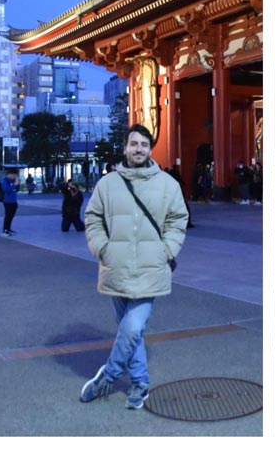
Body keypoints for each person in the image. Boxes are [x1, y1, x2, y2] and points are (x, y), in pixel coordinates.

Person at [80, 124, 188, 410]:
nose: (139, 149)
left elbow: (178, 220)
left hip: (151, 267)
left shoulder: (167, 184)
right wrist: (102, 248)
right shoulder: (107, 184)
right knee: (131, 332)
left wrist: (167, 250)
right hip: (115, 265)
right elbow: (92, 217)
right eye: (134, 144)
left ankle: (110, 374)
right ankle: (140, 383)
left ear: (150, 149)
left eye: (144, 144)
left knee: (133, 325)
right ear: (125, 147)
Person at [0, 170, 19, 236]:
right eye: (13, 175)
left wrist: (17, 184)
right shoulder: (5, 181)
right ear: (9, 174)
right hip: (7, 201)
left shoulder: (13, 181)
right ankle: (5, 230)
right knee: (8, 216)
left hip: (14, 201)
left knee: (11, 216)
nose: (14, 177)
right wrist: (14, 185)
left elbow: (17, 190)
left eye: (15, 176)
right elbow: (6, 189)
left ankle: (9, 229)